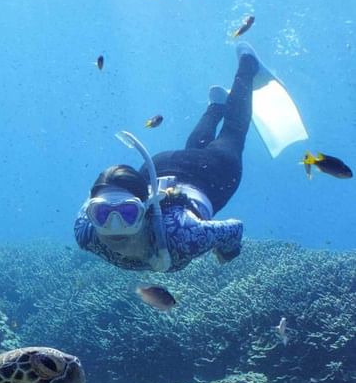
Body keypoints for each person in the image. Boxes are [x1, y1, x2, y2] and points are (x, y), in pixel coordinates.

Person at [75, 44, 261, 272]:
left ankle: (248, 65)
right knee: (194, 149)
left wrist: (227, 252)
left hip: (211, 173)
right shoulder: (86, 233)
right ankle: (215, 107)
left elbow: (235, 229)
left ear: (145, 209)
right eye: (101, 214)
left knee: (233, 132)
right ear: (90, 214)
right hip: (159, 164)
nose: (116, 228)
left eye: (128, 213)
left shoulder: (183, 236)